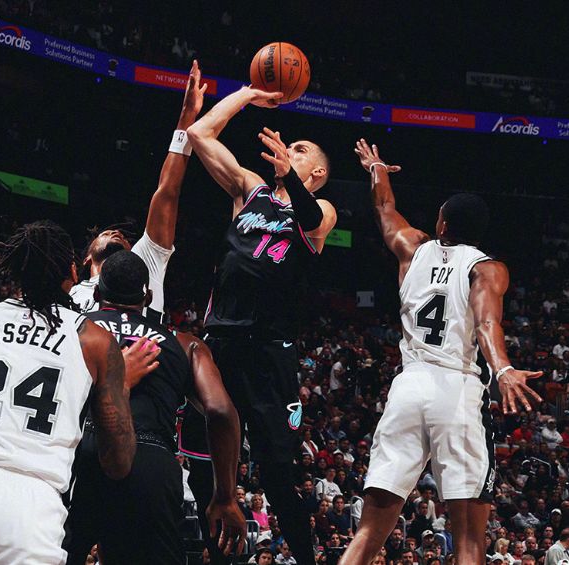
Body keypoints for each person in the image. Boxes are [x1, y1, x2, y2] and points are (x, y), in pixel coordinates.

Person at [340, 139, 542, 565]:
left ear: (443, 223)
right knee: (468, 538)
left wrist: (377, 168)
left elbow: (384, 208)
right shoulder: (487, 267)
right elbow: (486, 323)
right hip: (457, 390)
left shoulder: (413, 248)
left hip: (409, 386)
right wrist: (502, 368)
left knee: (369, 531)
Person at [185, 85, 337, 565]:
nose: (289, 149)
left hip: (270, 352)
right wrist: (248, 94)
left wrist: (290, 175)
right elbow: (198, 133)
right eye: (291, 146)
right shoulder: (249, 190)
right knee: (206, 465)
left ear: (316, 172)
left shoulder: (322, 209)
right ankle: (218, 557)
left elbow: (310, 220)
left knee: (276, 474)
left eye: (300, 150)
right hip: (221, 340)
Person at [0, 221, 136, 564]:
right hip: (31, 509)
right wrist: (119, 386)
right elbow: (119, 462)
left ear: (14, 271)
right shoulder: (94, 341)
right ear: (72, 273)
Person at [64, 251, 245, 565]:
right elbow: (220, 411)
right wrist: (226, 495)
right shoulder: (184, 343)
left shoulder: (75, 328)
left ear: (96, 295)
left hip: (83, 451)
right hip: (150, 463)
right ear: (147, 298)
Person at [70, 60, 207, 321]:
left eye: (124, 238)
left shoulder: (145, 260)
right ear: (86, 259)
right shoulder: (69, 295)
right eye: (104, 234)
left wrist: (186, 117)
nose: (116, 233)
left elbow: (167, 191)